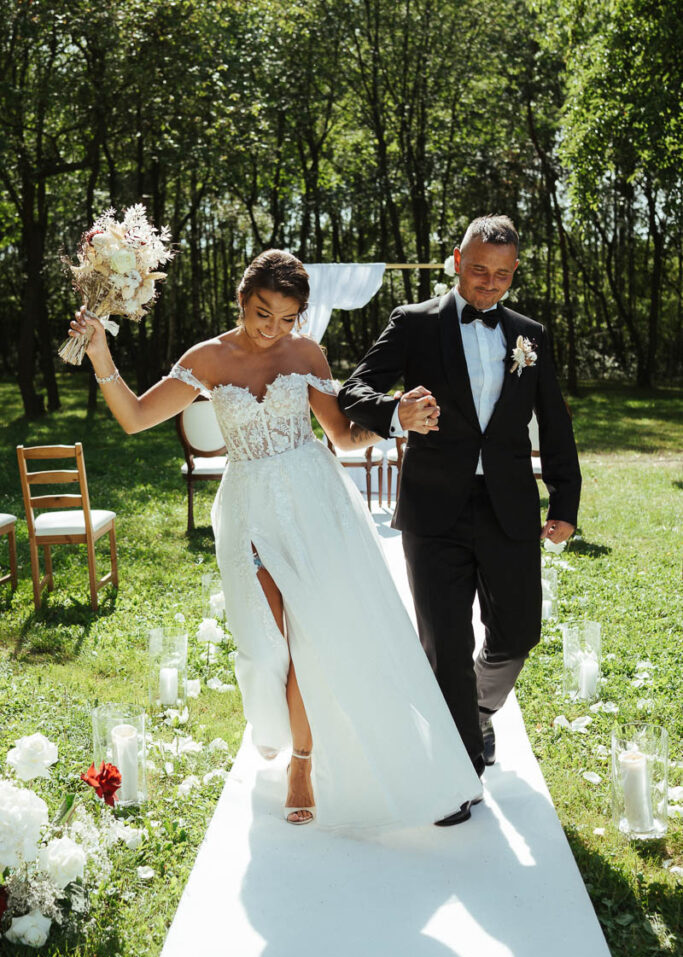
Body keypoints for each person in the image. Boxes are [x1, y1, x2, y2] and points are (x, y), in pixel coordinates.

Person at [68, 248, 481, 830]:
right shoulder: (206, 359)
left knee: (311, 639)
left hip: (316, 505)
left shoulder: (306, 353)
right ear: (242, 300)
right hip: (249, 510)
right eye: (263, 313)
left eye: (288, 318)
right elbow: (135, 418)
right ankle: (273, 726)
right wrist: (99, 353)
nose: (273, 328)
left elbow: (343, 436)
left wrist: (396, 419)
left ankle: (302, 763)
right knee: (265, 646)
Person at [338, 215, 581, 824]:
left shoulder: (530, 335)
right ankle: (456, 774)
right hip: (434, 509)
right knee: (446, 643)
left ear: (514, 273)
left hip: (509, 507)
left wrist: (564, 502)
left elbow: (554, 422)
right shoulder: (414, 322)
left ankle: (477, 714)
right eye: (478, 270)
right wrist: (396, 412)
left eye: (501, 274)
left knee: (519, 630)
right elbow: (353, 390)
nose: (488, 284)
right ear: (455, 260)